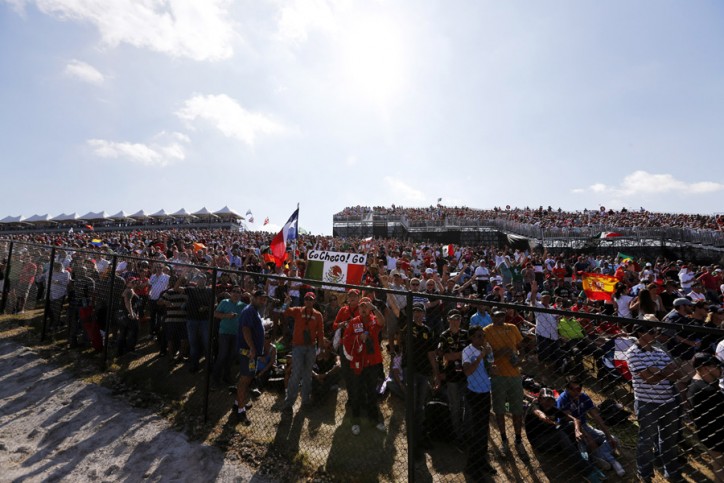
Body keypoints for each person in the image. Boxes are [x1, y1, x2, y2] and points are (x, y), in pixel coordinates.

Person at [626, 324, 683, 482]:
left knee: (669, 440)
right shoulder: (633, 353)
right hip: (647, 402)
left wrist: (655, 371)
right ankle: (644, 473)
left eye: (656, 331)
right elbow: (648, 379)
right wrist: (663, 372)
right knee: (647, 440)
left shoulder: (659, 351)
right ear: (640, 333)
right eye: (651, 331)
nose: (655, 334)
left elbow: (677, 373)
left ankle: (671, 471)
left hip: (668, 401)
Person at [525, 388, 605, 482]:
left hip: (551, 435)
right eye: (546, 399)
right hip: (538, 441)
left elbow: (575, 420)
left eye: (551, 400)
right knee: (560, 434)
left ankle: (589, 464)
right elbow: (538, 412)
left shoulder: (551, 408)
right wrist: (543, 417)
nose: (548, 403)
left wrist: (577, 430)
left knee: (571, 426)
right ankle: (587, 472)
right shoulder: (535, 405)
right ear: (540, 399)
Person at [556, 376, 626, 477]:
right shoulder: (563, 400)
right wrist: (587, 436)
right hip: (570, 429)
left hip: (585, 426)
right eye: (573, 389)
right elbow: (571, 422)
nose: (576, 392)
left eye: (579, 389)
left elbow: (597, 417)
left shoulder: (583, 397)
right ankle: (608, 459)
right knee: (588, 443)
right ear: (567, 388)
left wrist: (608, 436)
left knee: (615, 440)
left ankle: (598, 455)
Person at [484, 308, 526, 460]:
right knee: (500, 409)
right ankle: (503, 440)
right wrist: (502, 352)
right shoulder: (487, 331)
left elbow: (522, 347)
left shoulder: (512, 328)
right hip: (498, 376)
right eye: (496, 316)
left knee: (517, 409)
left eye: (502, 315)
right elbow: (486, 355)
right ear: (492, 317)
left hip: (514, 374)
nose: (500, 318)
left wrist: (520, 359)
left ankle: (518, 439)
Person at [342, 297, 386, 435]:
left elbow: (382, 322)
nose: (363, 308)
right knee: (356, 392)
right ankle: (355, 422)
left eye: (366, 306)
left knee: (372, 392)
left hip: (372, 363)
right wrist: (358, 338)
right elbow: (346, 339)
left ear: (370, 308)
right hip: (358, 362)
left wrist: (375, 308)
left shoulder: (374, 320)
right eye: (361, 306)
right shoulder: (354, 322)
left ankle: (374, 419)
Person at [402, 303, 440, 457]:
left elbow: (431, 353)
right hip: (410, 370)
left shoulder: (428, 330)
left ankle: (418, 438)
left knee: (420, 407)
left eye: (420, 312)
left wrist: (436, 373)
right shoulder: (407, 325)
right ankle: (412, 442)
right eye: (415, 311)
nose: (418, 314)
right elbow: (397, 311)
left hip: (424, 372)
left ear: (424, 314)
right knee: (412, 405)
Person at [461, 325, 496, 479]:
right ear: (472, 338)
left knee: (483, 430)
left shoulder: (486, 349)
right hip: (473, 393)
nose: (483, 338)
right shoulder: (467, 351)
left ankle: (482, 461)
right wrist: (480, 356)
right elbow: (467, 371)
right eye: (479, 336)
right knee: (477, 432)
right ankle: (471, 467)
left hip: (485, 392)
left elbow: (490, 368)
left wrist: (490, 366)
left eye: (483, 336)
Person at [283, 291, 325, 412]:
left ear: (314, 301)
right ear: (304, 300)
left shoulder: (318, 315)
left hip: (311, 348)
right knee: (295, 374)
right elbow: (285, 312)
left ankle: (305, 401)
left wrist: (321, 349)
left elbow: (321, 334)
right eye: (306, 299)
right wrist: (286, 303)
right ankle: (289, 403)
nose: (308, 301)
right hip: (298, 347)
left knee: (307, 376)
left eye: (311, 299)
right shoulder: (298, 310)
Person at [688, 352, 724, 482]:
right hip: (716, 434)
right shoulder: (705, 390)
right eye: (717, 366)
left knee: (718, 465)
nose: (720, 369)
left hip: (709, 432)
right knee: (719, 466)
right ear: (705, 368)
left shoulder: (696, 383)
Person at [234, 289, 268, 426]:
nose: (263, 301)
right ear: (253, 298)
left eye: (264, 299)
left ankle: (237, 403)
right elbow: (246, 330)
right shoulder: (249, 311)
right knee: (245, 379)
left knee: (247, 378)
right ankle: (240, 411)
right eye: (260, 298)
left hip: (252, 353)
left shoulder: (254, 311)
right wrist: (253, 348)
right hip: (248, 352)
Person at [438, 309, 469, 446]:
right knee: (455, 406)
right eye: (453, 318)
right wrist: (459, 354)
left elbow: (469, 354)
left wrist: (454, 355)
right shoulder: (444, 335)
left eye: (458, 318)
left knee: (466, 406)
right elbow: (444, 356)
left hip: (466, 374)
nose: (456, 321)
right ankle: (457, 435)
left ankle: (466, 433)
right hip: (450, 375)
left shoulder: (466, 334)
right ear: (448, 320)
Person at [212, 286, 246, 387]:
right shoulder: (224, 302)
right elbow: (215, 314)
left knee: (231, 356)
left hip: (236, 334)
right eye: (234, 291)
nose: (236, 294)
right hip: (224, 333)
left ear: (240, 295)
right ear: (231, 293)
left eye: (238, 292)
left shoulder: (243, 305)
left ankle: (226, 377)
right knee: (222, 355)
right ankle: (215, 380)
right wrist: (227, 316)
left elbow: (253, 309)